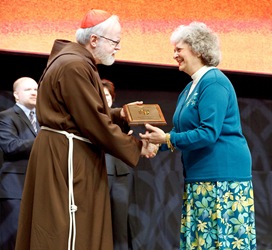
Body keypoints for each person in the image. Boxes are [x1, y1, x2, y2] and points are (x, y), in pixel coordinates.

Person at [15, 9, 158, 250]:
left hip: (67, 151)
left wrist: (120, 115)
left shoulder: (76, 62)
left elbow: (80, 113)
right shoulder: (74, 66)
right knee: (69, 229)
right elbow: (92, 122)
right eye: (115, 41)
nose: (118, 48)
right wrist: (137, 145)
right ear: (94, 40)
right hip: (67, 156)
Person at [139, 22, 257, 249]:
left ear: (198, 50)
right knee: (203, 240)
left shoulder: (213, 82)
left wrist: (167, 140)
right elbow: (181, 132)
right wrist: (158, 143)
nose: (174, 55)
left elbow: (208, 133)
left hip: (222, 176)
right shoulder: (190, 87)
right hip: (201, 175)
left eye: (179, 49)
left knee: (221, 240)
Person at [0, 77, 39, 250]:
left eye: (36, 89)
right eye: (28, 90)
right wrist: (44, 141)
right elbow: (10, 145)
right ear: (16, 95)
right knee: (14, 238)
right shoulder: (6, 117)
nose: (34, 93)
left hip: (40, 187)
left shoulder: (45, 119)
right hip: (15, 188)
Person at [102, 78, 139, 250]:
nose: (105, 98)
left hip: (120, 172)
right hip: (99, 171)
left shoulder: (120, 116)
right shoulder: (90, 116)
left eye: (108, 95)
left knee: (120, 221)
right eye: (101, 95)